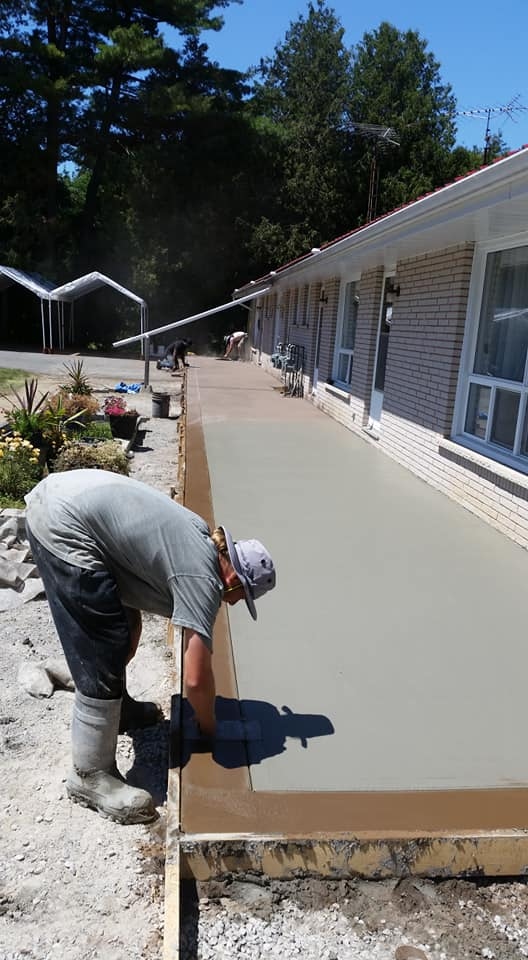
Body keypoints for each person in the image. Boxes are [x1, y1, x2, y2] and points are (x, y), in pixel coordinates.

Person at [25, 470, 276, 825]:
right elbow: (194, 678)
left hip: (64, 500)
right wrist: (209, 728)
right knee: (102, 645)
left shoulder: (197, 535)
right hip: (64, 526)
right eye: (240, 597)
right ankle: (90, 775)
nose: (232, 603)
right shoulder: (203, 577)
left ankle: (119, 711)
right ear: (233, 579)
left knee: (123, 624)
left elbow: (131, 574)